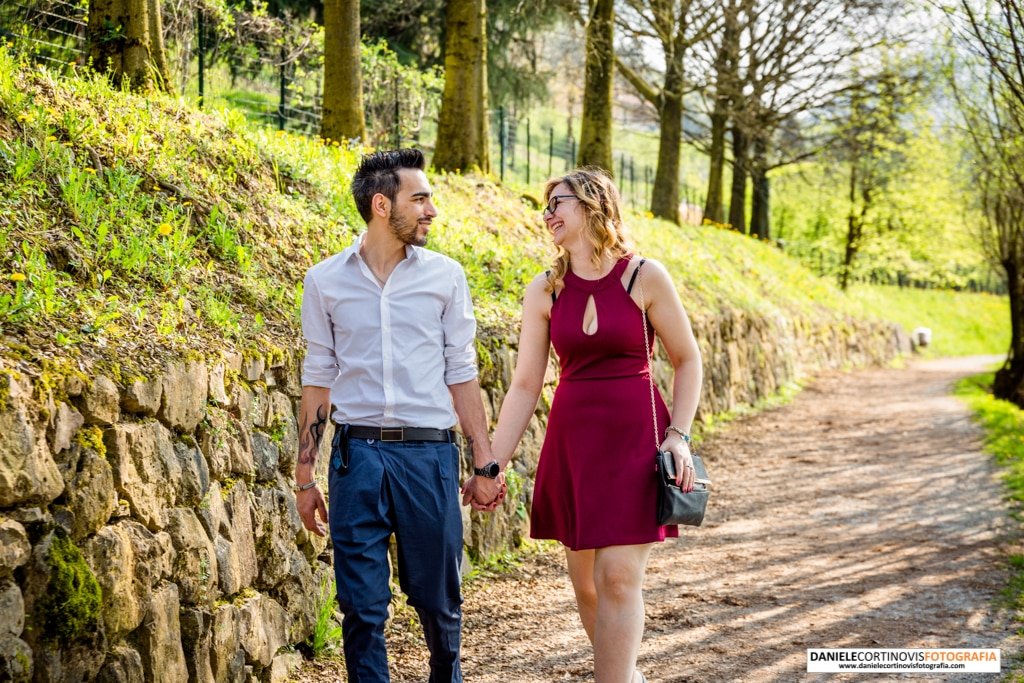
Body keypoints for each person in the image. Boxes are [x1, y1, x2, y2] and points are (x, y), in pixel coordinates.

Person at [477, 167, 703, 683]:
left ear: (593, 205)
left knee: (618, 577)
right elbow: (524, 386)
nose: (548, 214)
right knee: (588, 589)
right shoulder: (545, 290)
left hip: (636, 444)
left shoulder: (645, 276)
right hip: (575, 447)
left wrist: (679, 436)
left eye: (558, 203)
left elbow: (688, 360)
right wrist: (492, 463)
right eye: (546, 206)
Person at [294, 148, 505, 683]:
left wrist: (484, 465)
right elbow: (317, 378)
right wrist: (304, 473)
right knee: (362, 609)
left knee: (438, 602)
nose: (432, 209)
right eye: (421, 198)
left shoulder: (445, 277)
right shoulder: (324, 281)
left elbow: (462, 372)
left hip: (428, 455)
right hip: (355, 459)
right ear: (382, 205)